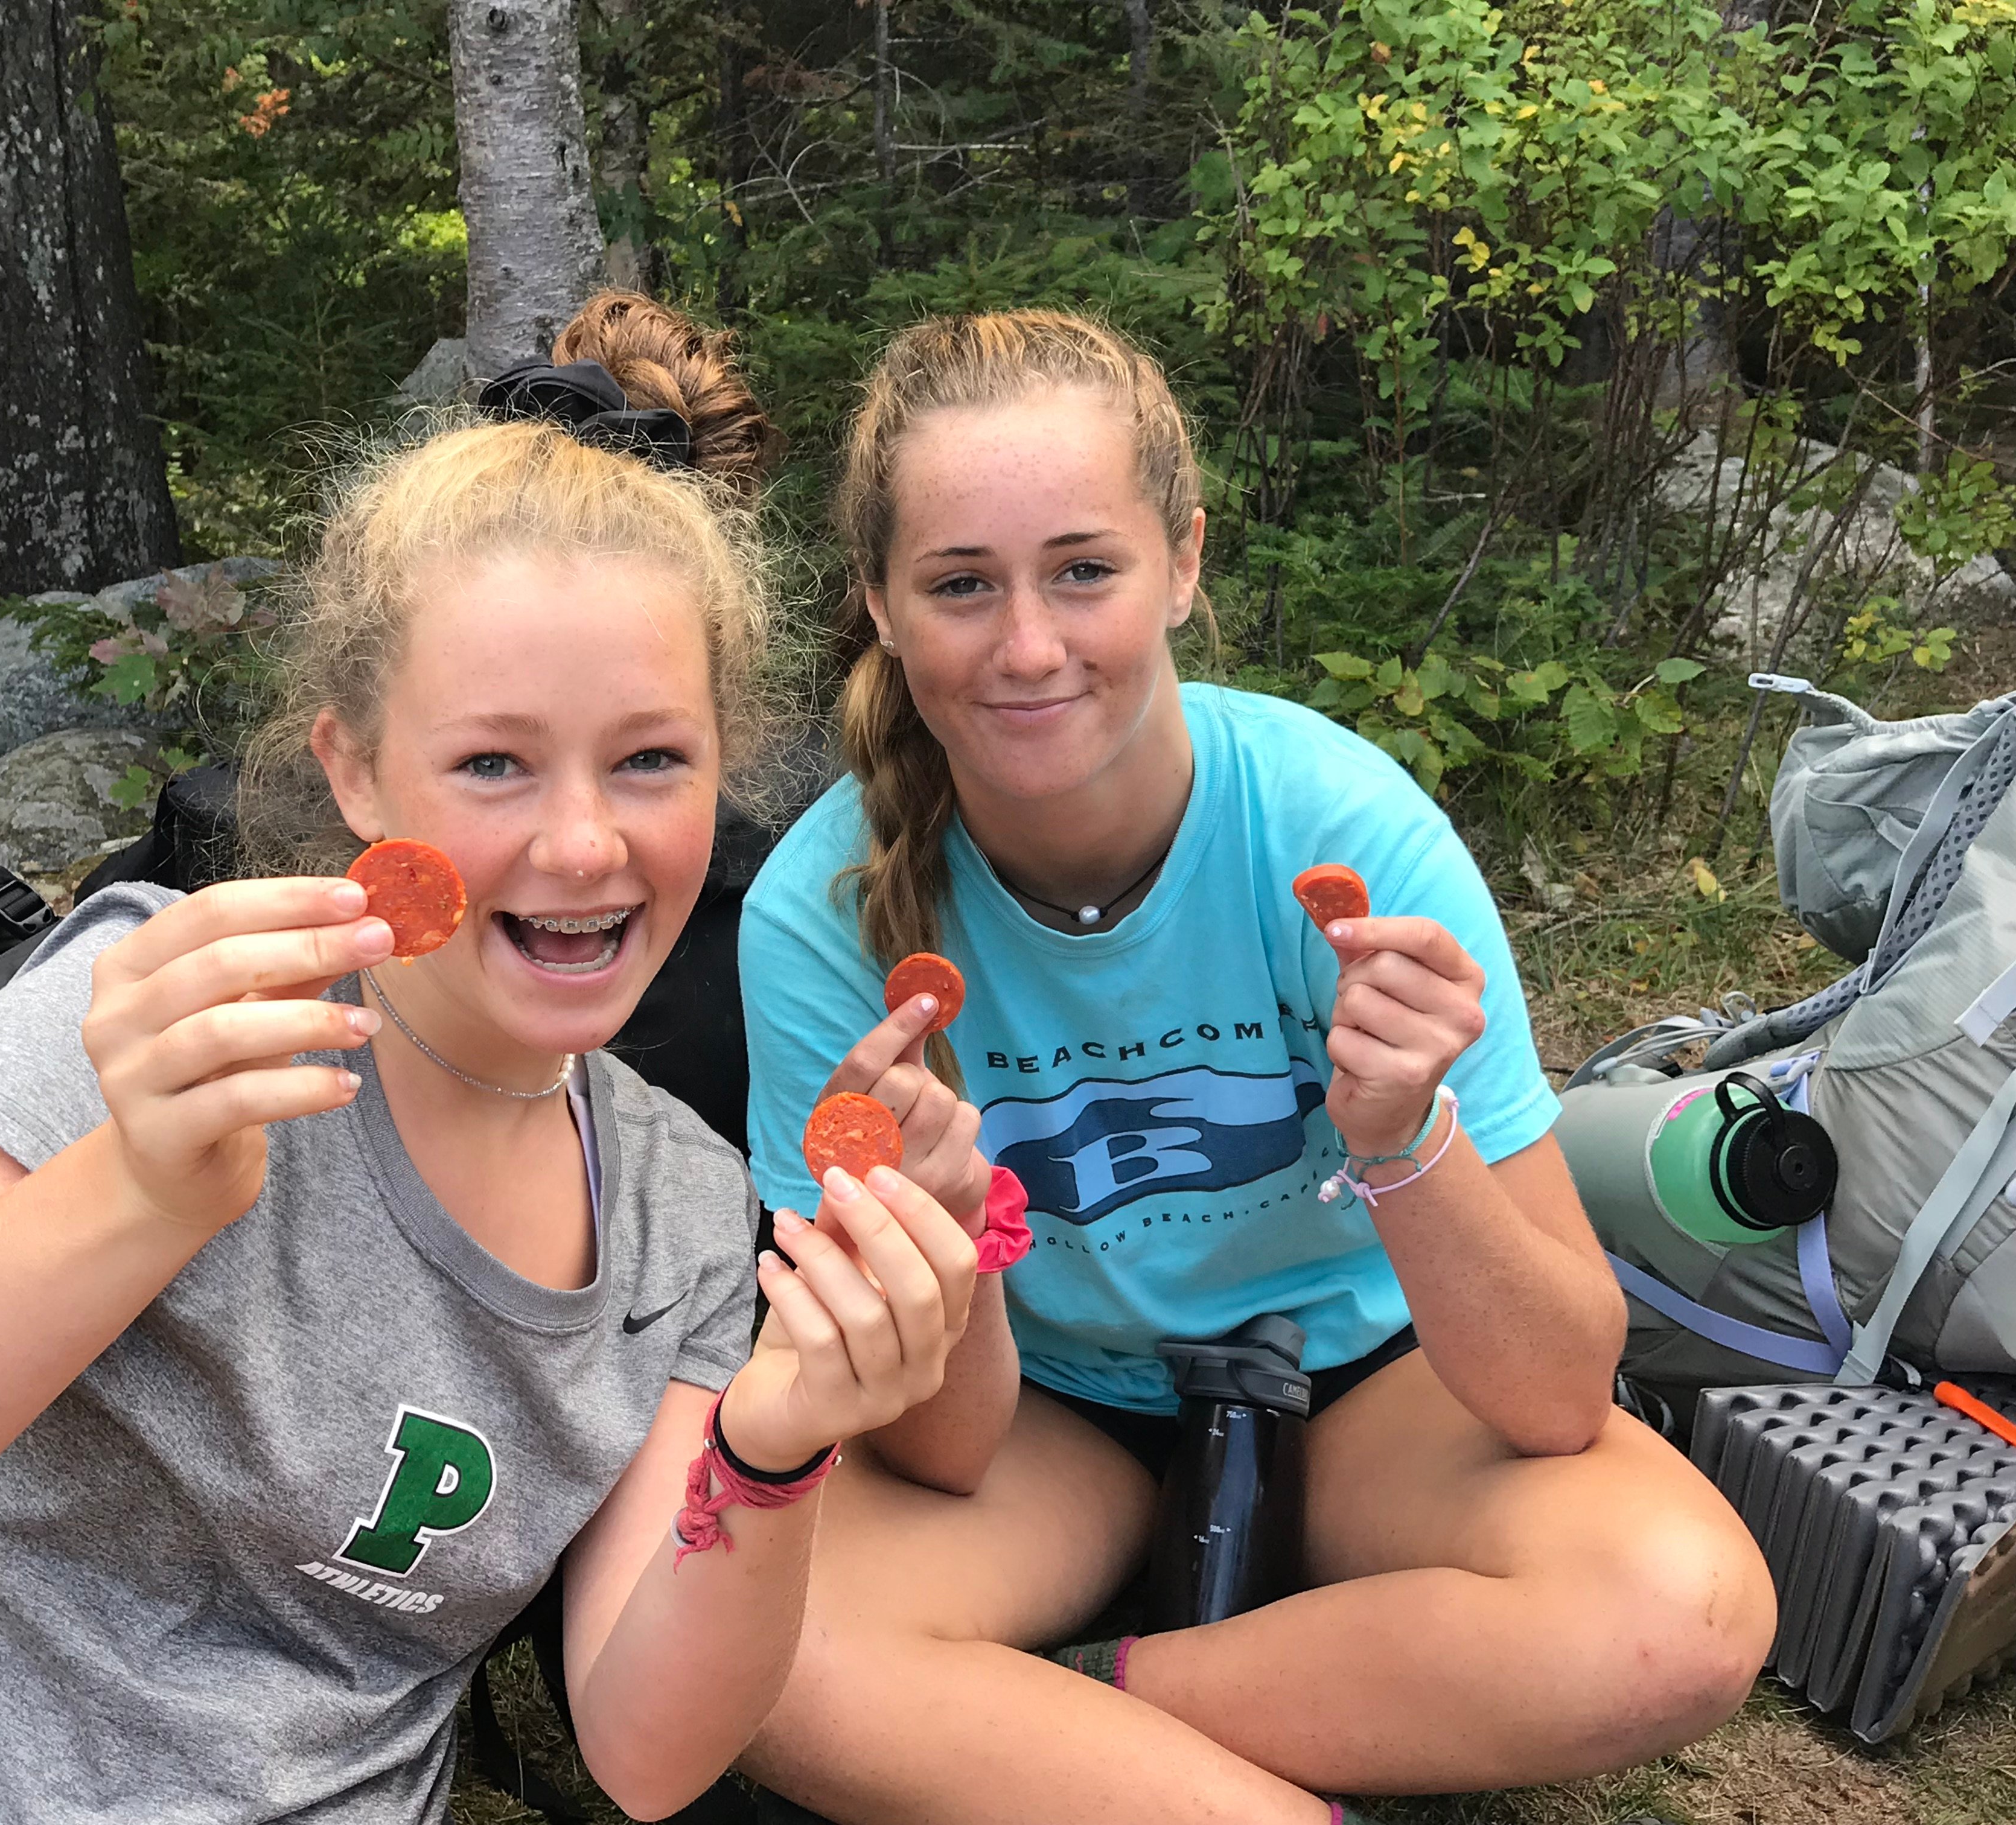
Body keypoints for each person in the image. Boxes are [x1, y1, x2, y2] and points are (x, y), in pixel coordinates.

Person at [0, 293, 980, 1825]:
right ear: (353, 766)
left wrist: (777, 1445)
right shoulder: (164, 1008)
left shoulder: (677, 1211)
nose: (583, 842)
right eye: (493, 761)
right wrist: (138, 1194)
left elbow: (645, 1749)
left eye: (650, 760)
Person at [736, 310, 1777, 1825]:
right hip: (1047, 1424)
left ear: (1187, 561)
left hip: (1365, 1397)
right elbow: (942, 1451)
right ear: (883, 609)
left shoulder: (1341, 831)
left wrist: (1405, 1135)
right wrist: (946, 1254)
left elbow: (1557, 1393)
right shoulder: (823, 920)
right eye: (961, 585)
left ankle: (1067, 1720)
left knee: (1677, 1615)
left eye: (1085, 570)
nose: (1028, 646)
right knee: (759, 1651)